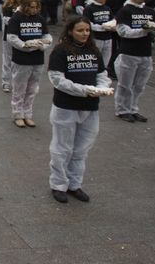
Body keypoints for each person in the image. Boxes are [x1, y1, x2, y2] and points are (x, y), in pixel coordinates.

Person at [47, 18, 111, 204]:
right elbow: (57, 79)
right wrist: (84, 90)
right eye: (80, 30)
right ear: (70, 31)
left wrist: (102, 87)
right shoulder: (61, 51)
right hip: (66, 106)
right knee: (62, 148)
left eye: (87, 30)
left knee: (81, 148)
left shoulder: (93, 50)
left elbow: (101, 74)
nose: (85, 34)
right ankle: (58, 184)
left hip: (90, 107)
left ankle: (74, 183)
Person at [114, 0, 155, 123]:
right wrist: (143, 30)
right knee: (125, 84)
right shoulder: (125, 11)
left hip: (145, 52)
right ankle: (122, 109)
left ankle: (133, 108)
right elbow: (123, 32)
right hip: (129, 51)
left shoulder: (149, 11)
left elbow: (154, 30)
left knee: (139, 85)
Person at [5, 0, 52, 127]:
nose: (34, 10)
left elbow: (47, 36)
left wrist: (43, 44)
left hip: (37, 58)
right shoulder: (16, 18)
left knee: (32, 88)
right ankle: (17, 114)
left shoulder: (40, 18)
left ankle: (28, 114)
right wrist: (25, 45)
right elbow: (12, 38)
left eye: (36, 7)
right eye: (31, 7)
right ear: (24, 6)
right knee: (20, 88)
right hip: (21, 58)